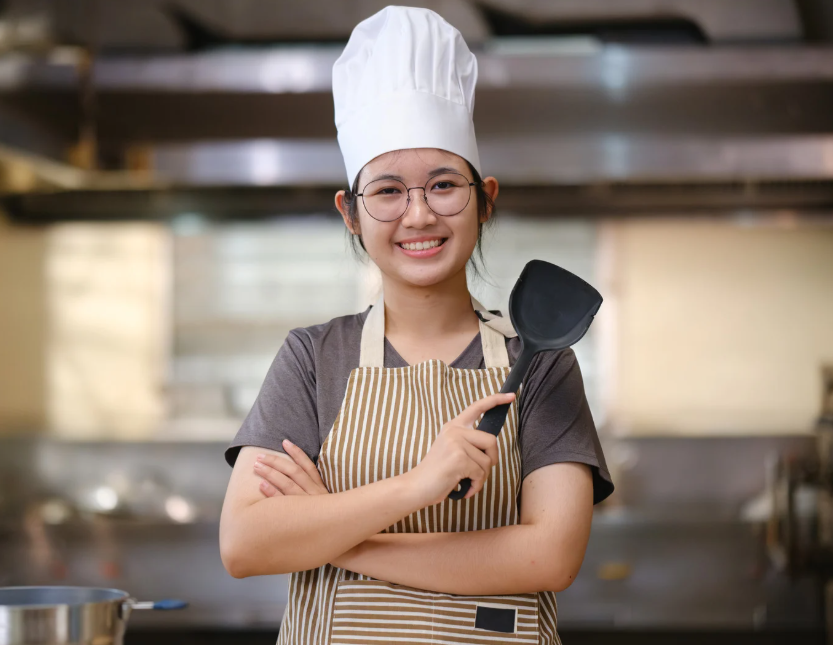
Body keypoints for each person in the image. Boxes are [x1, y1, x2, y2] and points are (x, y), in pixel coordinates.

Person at [220, 6, 613, 644]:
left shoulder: (541, 364)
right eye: (387, 191)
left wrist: (333, 536)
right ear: (351, 214)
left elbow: (549, 557)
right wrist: (415, 487)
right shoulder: (314, 358)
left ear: (486, 200)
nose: (419, 215)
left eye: (443, 185)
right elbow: (244, 543)